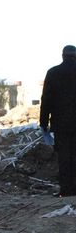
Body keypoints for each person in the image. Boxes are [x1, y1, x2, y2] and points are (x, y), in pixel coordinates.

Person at [40, 45, 76, 197]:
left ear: (63, 56)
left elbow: (46, 99)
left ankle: (66, 190)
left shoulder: (53, 73)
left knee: (64, 156)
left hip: (61, 124)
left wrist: (43, 121)